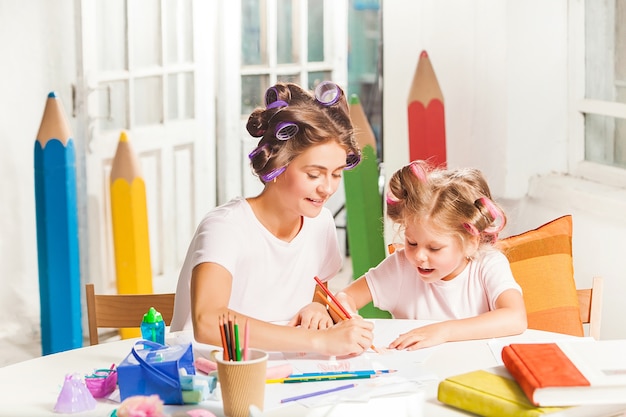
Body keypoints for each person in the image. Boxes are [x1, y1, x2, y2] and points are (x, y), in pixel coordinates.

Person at [170, 81, 374, 356]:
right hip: (211, 373)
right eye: (314, 174)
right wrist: (319, 342)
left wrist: (317, 307)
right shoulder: (225, 227)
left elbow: (315, 290)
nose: (327, 188)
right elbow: (207, 321)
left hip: (285, 371)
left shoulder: (320, 223)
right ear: (277, 166)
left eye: (336, 173)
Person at [335, 160, 527, 350]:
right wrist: (345, 316)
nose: (419, 256)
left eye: (434, 248)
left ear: (471, 243)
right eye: (411, 243)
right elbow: (344, 297)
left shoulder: (488, 264)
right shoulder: (401, 267)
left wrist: (442, 332)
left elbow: (515, 317)